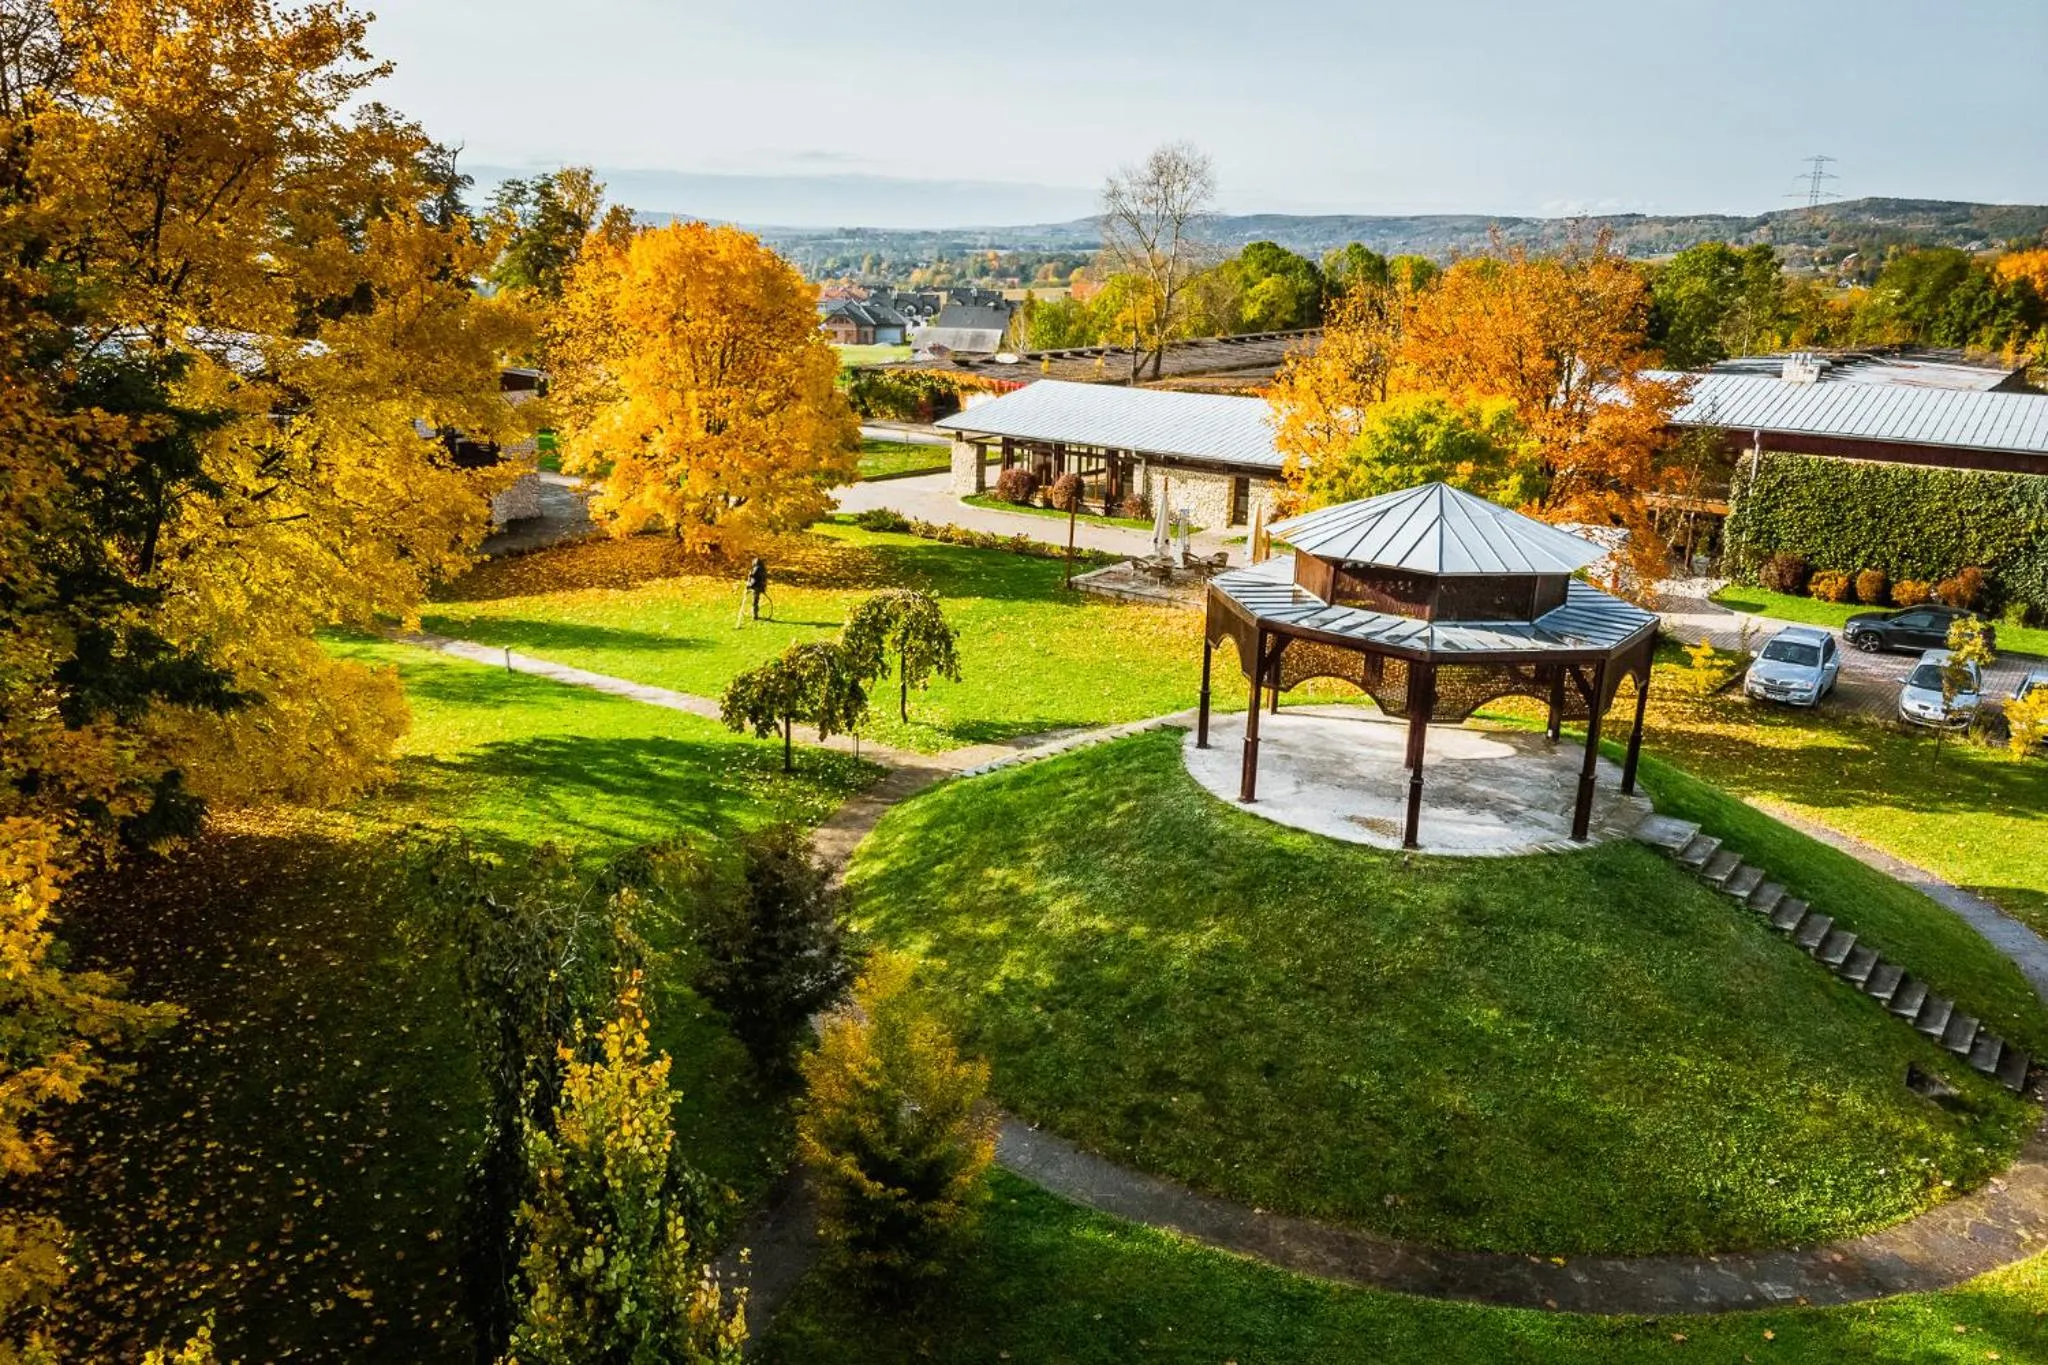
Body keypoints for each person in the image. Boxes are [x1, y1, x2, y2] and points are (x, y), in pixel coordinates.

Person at [746, 556, 769, 620]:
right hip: (760, 587)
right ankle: (755, 614)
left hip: (756, 587)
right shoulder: (763, 569)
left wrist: (750, 574)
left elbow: (753, 575)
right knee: (756, 601)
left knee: (754, 602)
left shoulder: (757, 568)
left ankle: (754, 615)